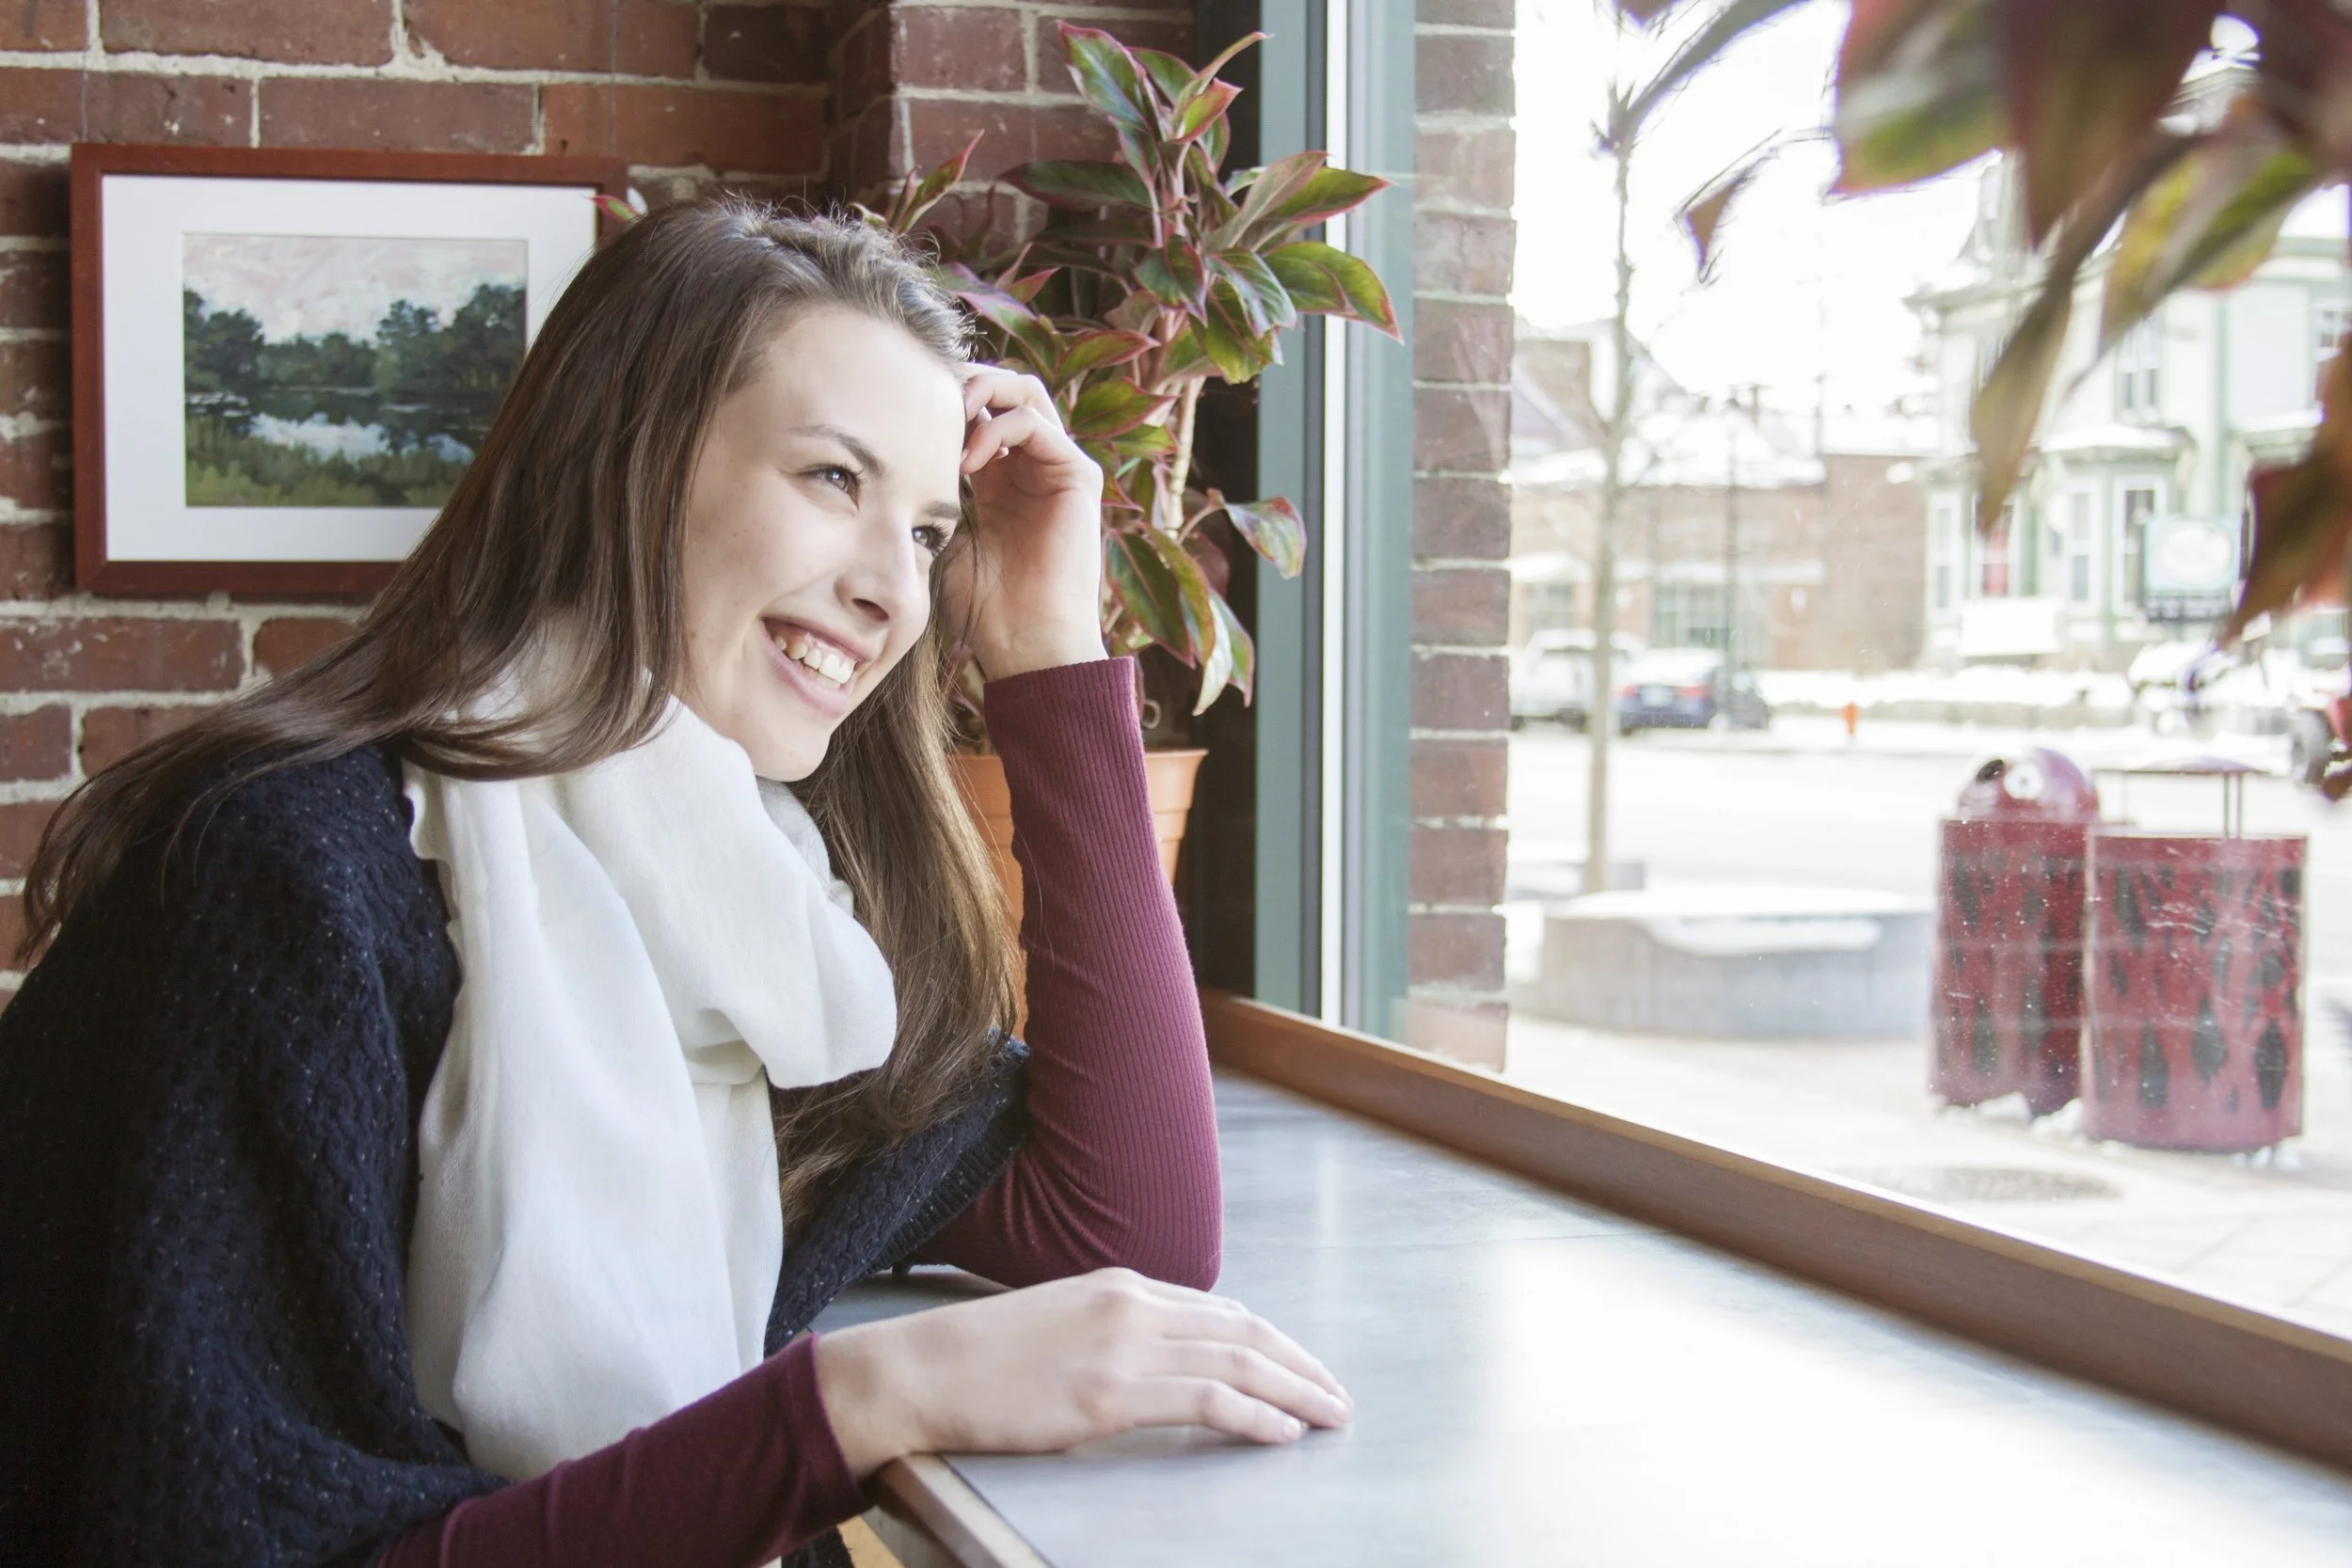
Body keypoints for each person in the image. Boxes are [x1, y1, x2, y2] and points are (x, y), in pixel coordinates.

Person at [0, 200, 1349, 1568]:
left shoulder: (763, 903)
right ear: (628, 467)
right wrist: (856, 1400)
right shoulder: (289, 880)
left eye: (931, 531)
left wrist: (1052, 644)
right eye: (833, 478)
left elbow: (1128, 1225)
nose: (894, 588)